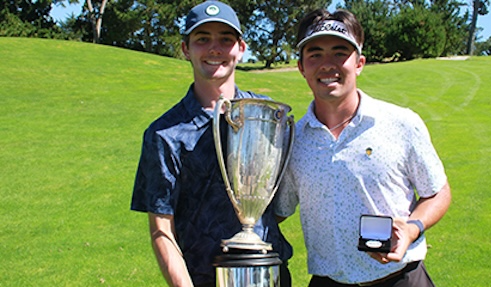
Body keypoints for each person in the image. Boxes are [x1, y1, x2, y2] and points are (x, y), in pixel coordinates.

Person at [274, 8, 452, 287]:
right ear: (301, 66)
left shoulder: (401, 123)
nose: (327, 64)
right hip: (328, 281)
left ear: (359, 63)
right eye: (315, 53)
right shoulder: (293, 140)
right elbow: (278, 209)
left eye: (339, 52)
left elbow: (438, 192)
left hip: (400, 279)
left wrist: (411, 228)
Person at [130, 2, 292, 287]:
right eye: (202, 39)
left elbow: (278, 206)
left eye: (225, 39)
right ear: (185, 49)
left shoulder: (268, 117)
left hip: (271, 275)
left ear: (240, 48)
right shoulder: (164, 134)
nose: (214, 48)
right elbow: (161, 229)